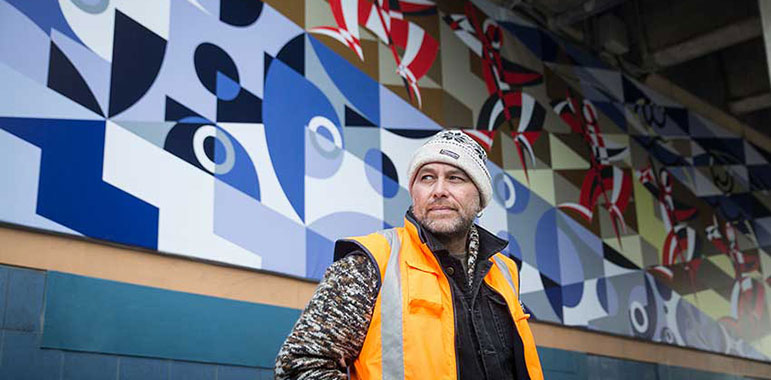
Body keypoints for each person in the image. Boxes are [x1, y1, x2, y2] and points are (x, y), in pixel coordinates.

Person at [275, 130, 543, 380]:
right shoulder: (370, 262)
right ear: (414, 193)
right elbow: (300, 364)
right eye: (426, 177)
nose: (438, 190)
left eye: (455, 178)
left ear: (481, 198)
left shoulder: (504, 271)